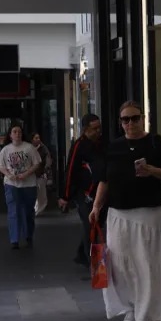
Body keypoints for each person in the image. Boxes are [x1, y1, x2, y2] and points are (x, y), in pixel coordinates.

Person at [89, 101, 161, 321]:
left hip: (150, 213)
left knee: (151, 265)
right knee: (120, 266)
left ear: (143, 118)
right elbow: (104, 180)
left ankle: (154, 314)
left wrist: (151, 170)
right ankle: (129, 308)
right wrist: (97, 206)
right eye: (125, 120)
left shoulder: (156, 143)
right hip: (119, 214)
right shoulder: (114, 148)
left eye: (134, 118)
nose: (130, 123)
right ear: (120, 123)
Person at [59, 114, 105, 270]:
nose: (98, 131)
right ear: (86, 130)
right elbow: (70, 171)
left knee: (95, 223)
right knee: (90, 223)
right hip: (83, 192)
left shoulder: (102, 143)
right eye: (95, 128)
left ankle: (81, 253)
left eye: (99, 127)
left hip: (99, 191)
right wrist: (65, 196)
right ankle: (91, 260)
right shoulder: (79, 146)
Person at [0, 125, 43, 249]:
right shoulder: (5, 150)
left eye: (19, 132)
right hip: (11, 184)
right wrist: (9, 175)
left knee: (28, 210)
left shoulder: (29, 148)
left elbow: (37, 163)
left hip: (29, 184)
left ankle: (28, 235)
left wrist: (26, 173)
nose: (17, 134)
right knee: (13, 211)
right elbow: (0, 166)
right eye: (14, 132)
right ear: (10, 135)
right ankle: (14, 239)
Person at [32, 133, 53, 215]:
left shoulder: (43, 149)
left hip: (41, 173)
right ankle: (35, 208)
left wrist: (46, 171)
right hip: (31, 174)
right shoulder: (29, 148)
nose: (38, 139)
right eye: (36, 138)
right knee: (34, 192)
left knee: (41, 192)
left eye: (38, 137)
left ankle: (39, 208)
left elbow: (48, 161)